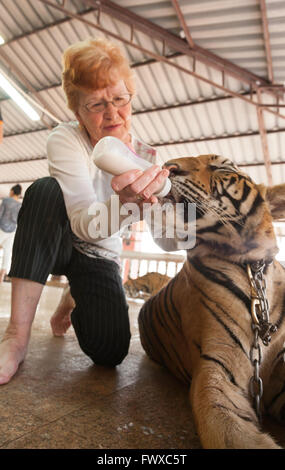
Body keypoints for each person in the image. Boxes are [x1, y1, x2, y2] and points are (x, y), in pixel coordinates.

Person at [0, 38, 170, 385]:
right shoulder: (65, 139)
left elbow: (170, 238)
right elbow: (80, 222)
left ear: (131, 97)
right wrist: (123, 204)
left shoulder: (149, 158)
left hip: (100, 254)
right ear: (77, 111)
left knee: (110, 351)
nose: (111, 113)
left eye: (120, 99)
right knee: (45, 191)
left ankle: (73, 294)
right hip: (61, 238)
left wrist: (166, 206)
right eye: (95, 104)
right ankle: (15, 337)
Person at [0, 184, 22, 283]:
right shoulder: (20, 205)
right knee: (7, 253)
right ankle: (1, 276)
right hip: (12, 230)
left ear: (12, 191)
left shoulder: (6, 201)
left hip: (2, 228)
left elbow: (0, 214)